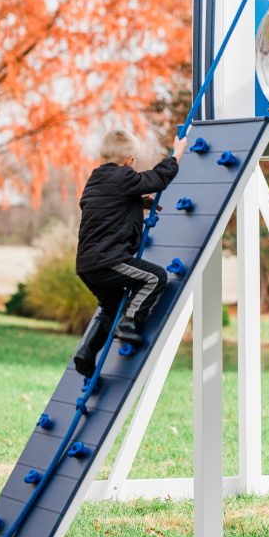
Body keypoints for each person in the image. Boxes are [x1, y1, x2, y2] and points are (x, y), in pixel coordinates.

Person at [74, 128, 187, 377]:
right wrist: (176, 156)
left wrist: (140, 202)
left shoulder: (96, 180)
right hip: (108, 260)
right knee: (155, 277)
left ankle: (85, 353)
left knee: (110, 306)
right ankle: (130, 322)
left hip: (87, 264)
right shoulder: (124, 177)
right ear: (129, 160)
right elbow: (157, 179)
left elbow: (110, 204)